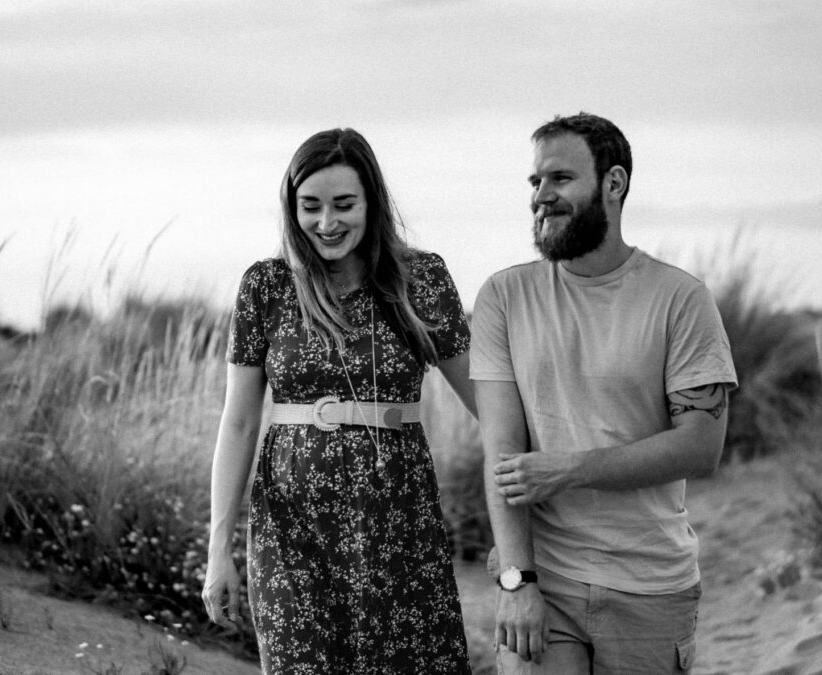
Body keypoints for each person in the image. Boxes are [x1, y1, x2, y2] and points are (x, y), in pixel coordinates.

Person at [470, 113, 738, 674]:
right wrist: (517, 581)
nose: (541, 196)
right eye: (534, 182)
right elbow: (503, 455)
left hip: (650, 584)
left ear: (613, 184)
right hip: (545, 579)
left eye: (560, 179)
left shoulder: (681, 300)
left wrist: (570, 470)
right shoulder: (504, 297)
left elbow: (700, 447)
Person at [202, 128, 476, 674]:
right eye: (311, 207)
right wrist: (217, 551)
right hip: (290, 531)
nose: (327, 223)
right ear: (292, 207)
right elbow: (237, 424)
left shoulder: (420, 280)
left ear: (371, 201)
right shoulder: (267, 286)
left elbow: (488, 403)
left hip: (397, 526)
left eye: (344, 205)